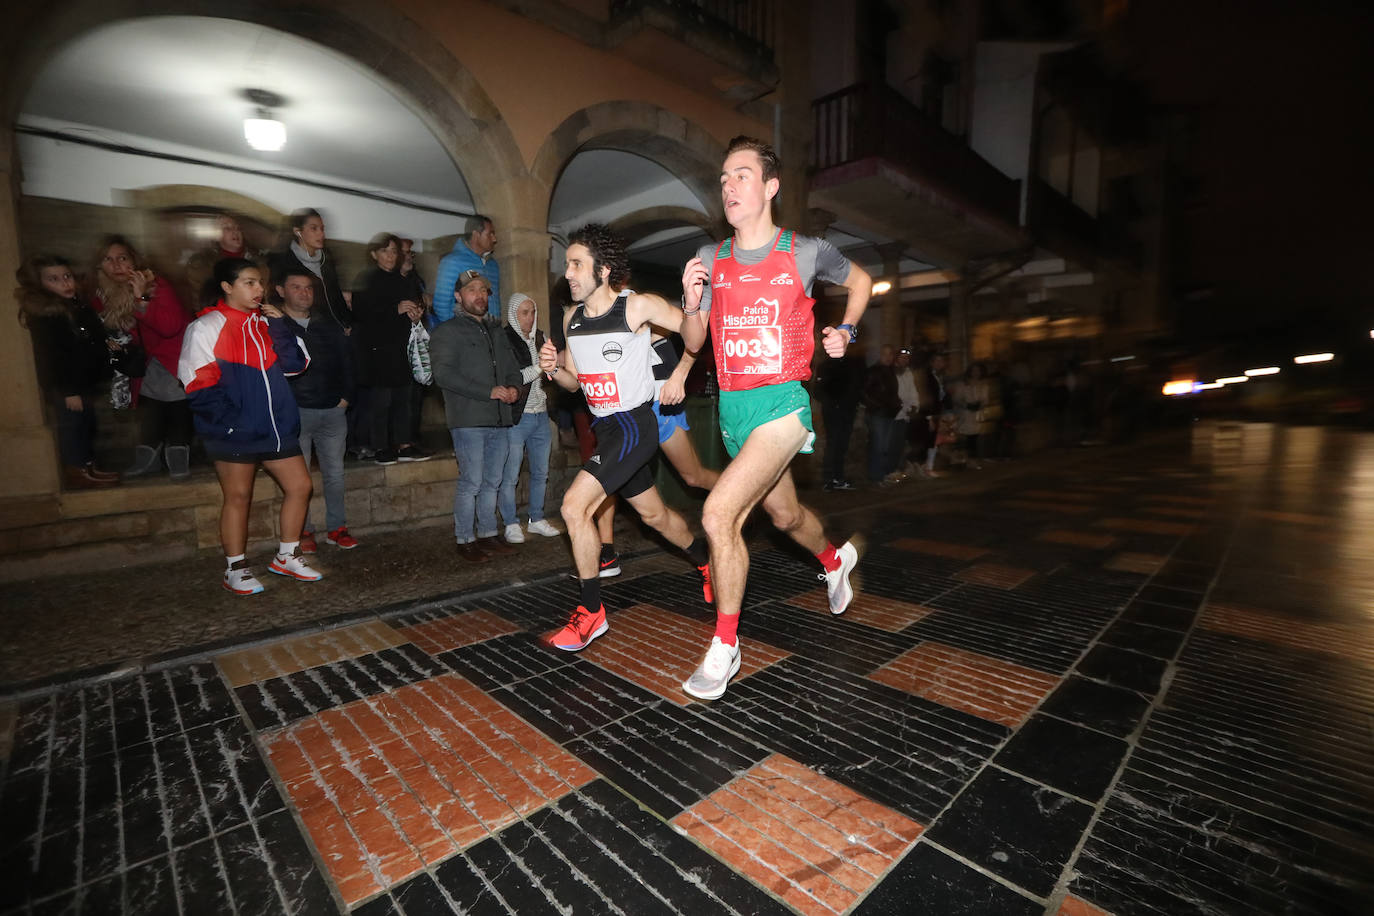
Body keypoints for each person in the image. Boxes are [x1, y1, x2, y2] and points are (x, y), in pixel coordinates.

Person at [677, 136, 870, 700]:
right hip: (733, 410)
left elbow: (860, 282)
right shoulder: (711, 259)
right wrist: (692, 303)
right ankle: (834, 559)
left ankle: (726, 645)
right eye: (723, 179)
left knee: (718, 515)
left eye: (741, 175)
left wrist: (846, 331)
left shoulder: (805, 251)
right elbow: (694, 342)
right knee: (783, 516)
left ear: (770, 186)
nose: (728, 186)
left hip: (784, 403)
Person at [537, 224, 711, 652]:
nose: (569, 273)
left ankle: (592, 612)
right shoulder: (570, 318)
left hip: (636, 424)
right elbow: (576, 384)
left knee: (574, 507)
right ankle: (707, 561)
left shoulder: (638, 307)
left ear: (603, 270)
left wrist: (690, 307)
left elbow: (695, 338)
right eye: (567, 265)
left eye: (577, 264)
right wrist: (553, 369)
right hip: (605, 429)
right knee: (655, 517)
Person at [178, 258, 320, 595]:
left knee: (300, 486)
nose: (259, 290)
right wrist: (230, 425)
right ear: (227, 287)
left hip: (275, 429)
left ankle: (287, 556)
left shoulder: (266, 323)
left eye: (260, 283)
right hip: (234, 431)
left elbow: (296, 365)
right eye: (249, 282)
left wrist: (281, 327)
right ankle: (236, 568)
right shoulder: (207, 327)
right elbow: (196, 381)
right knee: (238, 496)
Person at [430, 270, 523, 562]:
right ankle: (464, 538)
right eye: (472, 290)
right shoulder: (447, 332)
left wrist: (514, 389)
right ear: (458, 296)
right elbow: (443, 374)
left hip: (499, 418)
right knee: (471, 482)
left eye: (484, 290)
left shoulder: (497, 331)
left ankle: (487, 533)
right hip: (469, 420)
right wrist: (489, 391)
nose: (479, 295)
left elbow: (512, 369)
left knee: (492, 481)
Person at [91, 235, 193, 479]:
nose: (116, 265)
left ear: (133, 260)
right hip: (144, 363)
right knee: (150, 410)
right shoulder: (101, 294)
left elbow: (170, 326)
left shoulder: (155, 284)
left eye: (122, 258)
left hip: (174, 356)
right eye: (108, 259)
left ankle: (178, 456)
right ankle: (150, 458)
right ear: (99, 265)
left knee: (176, 407)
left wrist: (141, 298)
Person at [17, 255, 121, 488]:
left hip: (83, 379)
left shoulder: (74, 306)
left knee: (86, 424)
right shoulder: (48, 315)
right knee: (73, 426)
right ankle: (77, 469)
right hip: (69, 383)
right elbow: (53, 357)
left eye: (66, 276)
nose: (65, 283)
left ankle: (88, 465)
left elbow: (87, 337)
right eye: (54, 279)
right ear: (41, 284)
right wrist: (68, 390)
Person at [278, 265, 359, 553]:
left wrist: (345, 398)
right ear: (281, 291)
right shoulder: (275, 325)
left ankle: (337, 527)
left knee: (335, 474)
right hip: (297, 411)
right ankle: (304, 530)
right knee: (299, 478)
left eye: (308, 288)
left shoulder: (327, 324)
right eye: (296, 287)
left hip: (333, 410)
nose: (304, 293)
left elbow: (348, 362)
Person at [350, 233, 429, 465]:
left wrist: (416, 315)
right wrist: (394, 310)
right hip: (377, 352)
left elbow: (412, 309)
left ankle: (404, 444)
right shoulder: (366, 280)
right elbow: (362, 315)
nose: (390, 256)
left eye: (394, 251)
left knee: (403, 400)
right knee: (381, 402)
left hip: (400, 349)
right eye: (385, 251)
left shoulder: (403, 280)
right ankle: (381, 446)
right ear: (374, 254)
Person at [500, 293, 562, 543]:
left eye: (532, 312)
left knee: (541, 471)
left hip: (540, 413)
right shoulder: (504, 339)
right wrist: (541, 367)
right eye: (524, 313)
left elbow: (552, 371)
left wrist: (553, 368)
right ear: (514, 315)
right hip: (518, 415)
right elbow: (512, 377)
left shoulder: (541, 337)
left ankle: (536, 518)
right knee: (510, 474)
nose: (530, 318)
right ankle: (510, 523)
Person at [266, 208, 351, 329]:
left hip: (334, 327)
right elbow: (276, 298)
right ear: (297, 231)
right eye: (314, 228)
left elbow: (335, 293)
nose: (321, 234)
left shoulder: (327, 258)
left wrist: (347, 321)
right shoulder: (283, 262)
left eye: (322, 229)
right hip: (305, 328)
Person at [814, 343, 864, 491]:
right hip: (833, 412)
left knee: (842, 445)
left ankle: (838, 478)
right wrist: (834, 404)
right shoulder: (825, 366)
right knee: (833, 444)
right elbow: (818, 391)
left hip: (847, 411)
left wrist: (852, 403)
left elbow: (856, 387)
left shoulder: (851, 365)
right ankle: (828, 479)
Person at [433, 215, 499, 322]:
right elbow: (441, 306)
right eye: (489, 234)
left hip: (492, 331)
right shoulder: (452, 262)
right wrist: (459, 331)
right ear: (476, 235)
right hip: (467, 333)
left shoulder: (492, 265)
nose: (494, 239)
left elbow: (495, 301)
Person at [862, 344, 901, 485]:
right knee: (878, 446)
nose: (888, 357)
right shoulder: (873, 371)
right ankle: (876, 476)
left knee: (885, 446)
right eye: (885, 354)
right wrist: (877, 406)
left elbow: (892, 393)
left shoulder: (890, 372)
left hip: (889, 413)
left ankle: (883, 474)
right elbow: (865, 393)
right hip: (878, 414)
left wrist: (896, 403)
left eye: (890, 354)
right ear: (879, 355)